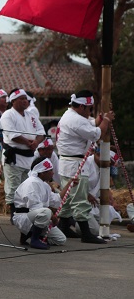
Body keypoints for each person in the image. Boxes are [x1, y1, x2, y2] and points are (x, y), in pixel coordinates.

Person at [56, 90, 115, 244]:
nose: (90, 112)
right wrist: (106, 121)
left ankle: (64, 227)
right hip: (74, 163)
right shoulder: (75, 120)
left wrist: (101, 119)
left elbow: (90, 124)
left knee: (69, 198)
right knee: (79, 199)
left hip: (68, 162)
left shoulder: (71, 116)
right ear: (82, 107)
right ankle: (86, 233)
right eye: (89, 108)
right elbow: (97, 133)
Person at [0, 88, 45, 223]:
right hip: (14, 156)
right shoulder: (8, 115)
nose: (25, 101)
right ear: (13, 101)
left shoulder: (31, 115)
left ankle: (25, 212)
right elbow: (12, 135)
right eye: (22, 99)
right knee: (13, 186)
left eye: (26, 99)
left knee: (27, 186)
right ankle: (14, 214)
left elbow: (41, 131)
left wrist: (36, 142)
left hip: (29, 156)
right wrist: (28, 142)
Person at [13, 157, 72, 250]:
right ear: (42, 172)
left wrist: (70, 184)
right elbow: (35, 207)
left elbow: (56, 199)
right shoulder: (31, 183)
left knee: (60, 239)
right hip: (24, 217)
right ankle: (34, 239)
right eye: (50, 170)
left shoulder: (44, 184)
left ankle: (31, 234)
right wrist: (53, 218)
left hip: (38, 216)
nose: (53, 173)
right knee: (46, 212)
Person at [76, 149, 122, 237]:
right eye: (109, 162)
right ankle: (75, 222)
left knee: (111, 211)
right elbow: (77, 184)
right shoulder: (86, 163)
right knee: (95, 231)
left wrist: (112, 201)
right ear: (98, 155)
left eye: (111, 164)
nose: (109, 165)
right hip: (81, 201)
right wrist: (87, 195)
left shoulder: (104, 168)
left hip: (94, 203)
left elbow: (104, 187)